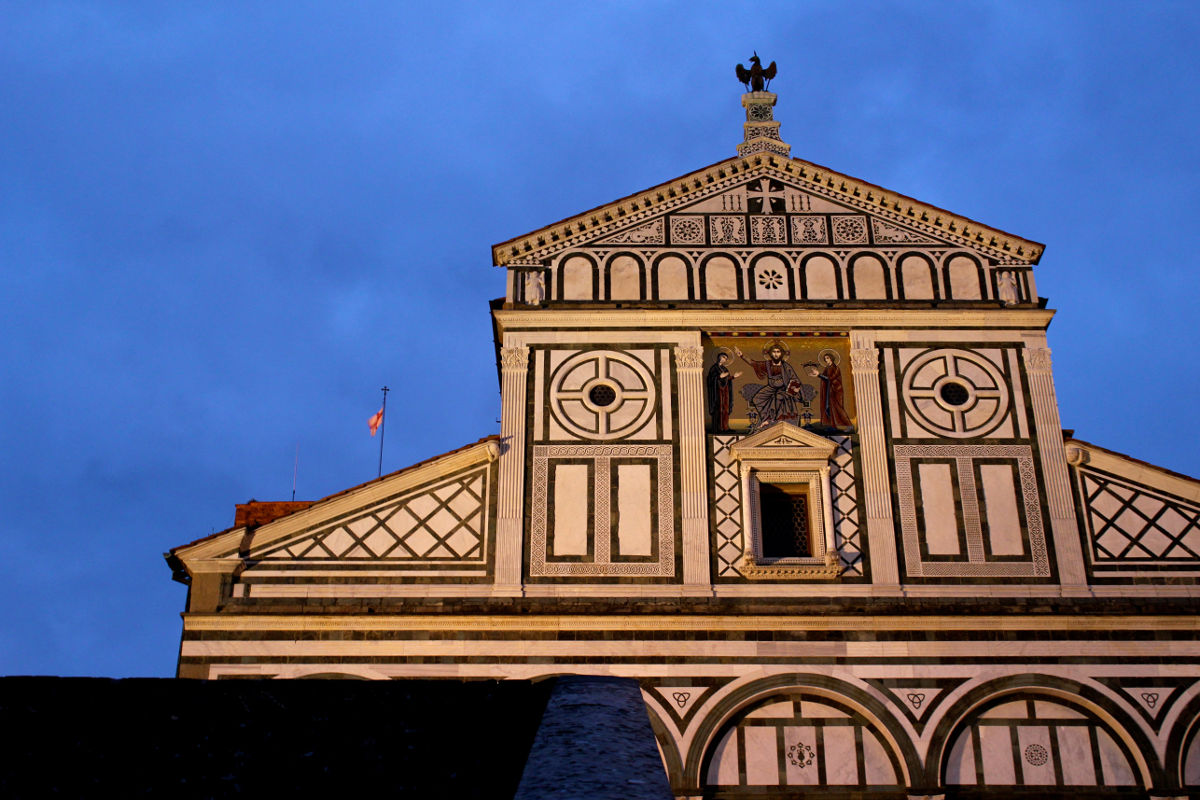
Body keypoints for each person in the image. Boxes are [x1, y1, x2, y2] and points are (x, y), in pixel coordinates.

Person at [735, 342, 803, 430]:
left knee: (778, 397)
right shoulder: (767, 364)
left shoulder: (786, 366)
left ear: (781, 353)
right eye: (774, 352)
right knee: (757, 398)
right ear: (770, 353)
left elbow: (795, 379)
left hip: (783, 389)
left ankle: (773, 419)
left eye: (778, 352)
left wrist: (795, 388)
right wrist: (742, 356)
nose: (776, 354)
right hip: (771, 388)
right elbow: (754, 363)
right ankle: (766, 418)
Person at [805, 351, 852, 429]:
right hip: (828, 391)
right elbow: (825, 378)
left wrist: (818, 375)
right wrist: (817, 375)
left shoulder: (836, 368)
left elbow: (831, 378)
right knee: (828, 408)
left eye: (827, 358)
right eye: (825, 358)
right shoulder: (827, 368)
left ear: (831, 358)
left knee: (837, 408)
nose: (826, 360)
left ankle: (849, 425)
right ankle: (832, 425)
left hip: (835, 391)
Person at [705, 351, 740, 432]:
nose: (725, 359)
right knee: (719, 409)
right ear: (719, 357)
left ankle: (725, 427)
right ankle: (718, 428)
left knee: (725, 409)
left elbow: (727, 379)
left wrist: (733, 376)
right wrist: (718, 377)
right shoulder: (714, 368)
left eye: (726, 358)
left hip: (725, 392)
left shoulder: (725, 369)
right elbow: (710, 379)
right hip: (717, 392)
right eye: (723, 357)